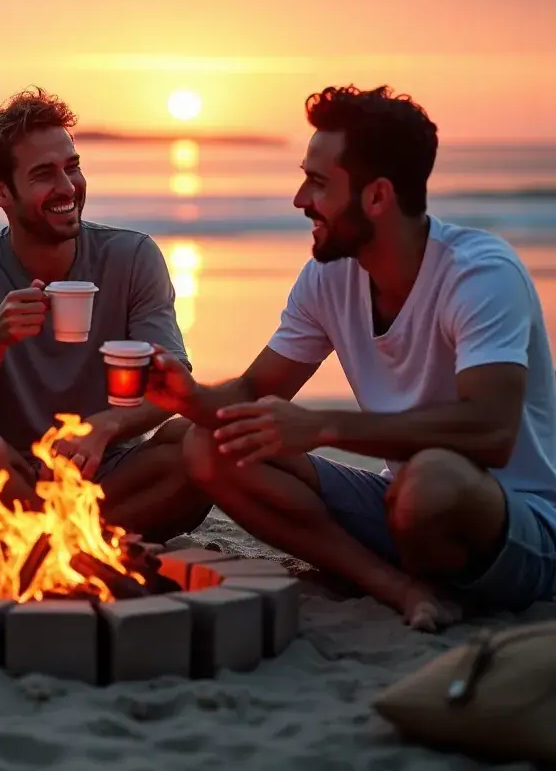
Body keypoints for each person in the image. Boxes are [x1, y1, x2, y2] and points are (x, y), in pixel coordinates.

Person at [143, 85, 556, 630]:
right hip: (404, 509)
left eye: (318, 183)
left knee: (430, 482)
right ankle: (399, 588)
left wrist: (321, 427)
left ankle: (432, 574)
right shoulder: (329, 275)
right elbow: (253, 394)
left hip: (518, 522)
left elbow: (490, 432)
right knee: (208, 444)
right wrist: (190, 398)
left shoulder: (479, 273)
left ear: (378, 197)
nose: (299, 200)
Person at [0, 87, 212, 541]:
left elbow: (175, 388)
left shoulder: (132, 257)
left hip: (109, 474)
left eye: (72, 168)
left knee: (199, 442)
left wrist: (105, 426)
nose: (67, 188)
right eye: (43, 175)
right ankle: (84, 541)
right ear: (0, 192)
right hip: (12, 475)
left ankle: (41, 543)